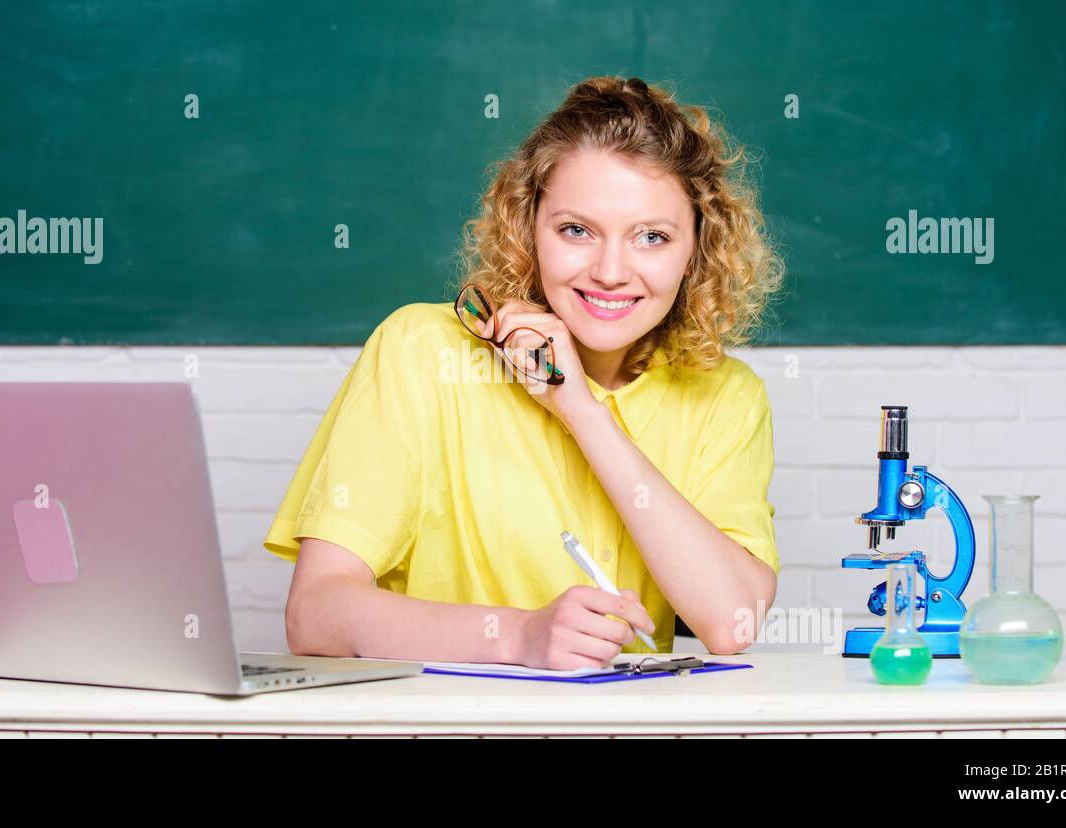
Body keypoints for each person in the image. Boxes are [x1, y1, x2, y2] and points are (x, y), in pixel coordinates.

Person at [265, 75, 785, 669]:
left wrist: (579, 408)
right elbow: (314, 615)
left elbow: (731, 621)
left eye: (652, 237)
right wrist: (516, 637)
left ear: (697, 248)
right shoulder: (421, 352)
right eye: (576, 230)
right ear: (527, 228)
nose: (611, 271)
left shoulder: (726, 395)